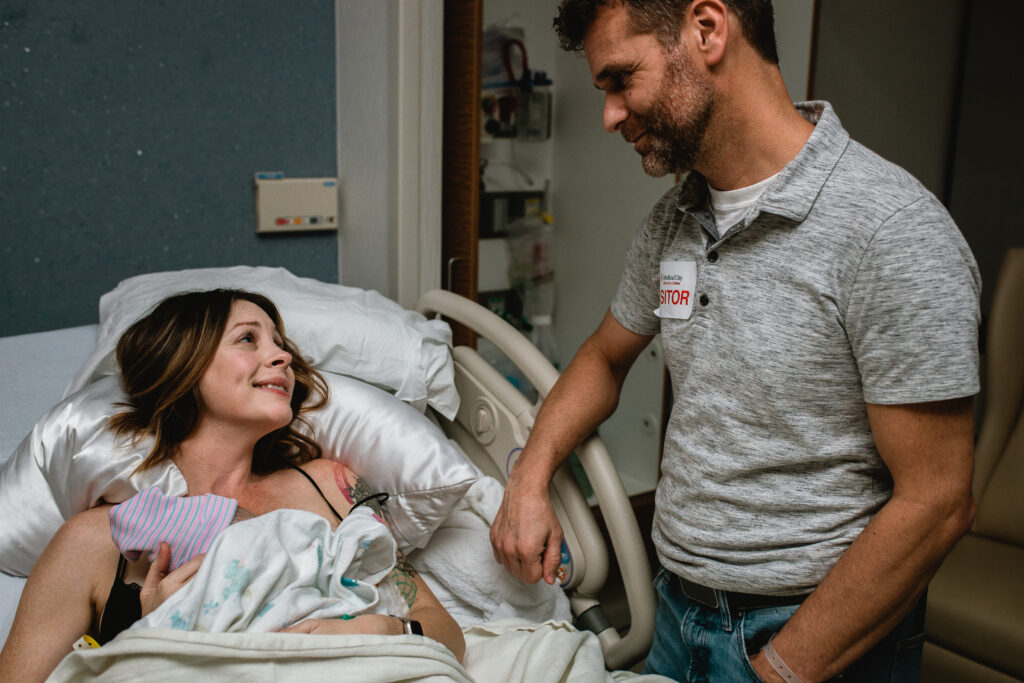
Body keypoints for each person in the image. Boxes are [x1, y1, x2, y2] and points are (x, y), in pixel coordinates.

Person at [489, 1, 980, 681]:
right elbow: (605, 357)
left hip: (810, 631)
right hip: (679, 608)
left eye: (621, 79)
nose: (608, 116)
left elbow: (938, 500)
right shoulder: (675, 221)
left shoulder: (890, 231)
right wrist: (529, 476)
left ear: (708, 29)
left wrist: (780, 666)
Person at [0, 289, 465, 682]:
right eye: (248, 338)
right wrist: (155, 637)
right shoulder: (97, 540)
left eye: (280, 344)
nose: (282, 356)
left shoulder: (332, 486)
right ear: (184, 364)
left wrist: (378, 632)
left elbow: (445, 630)